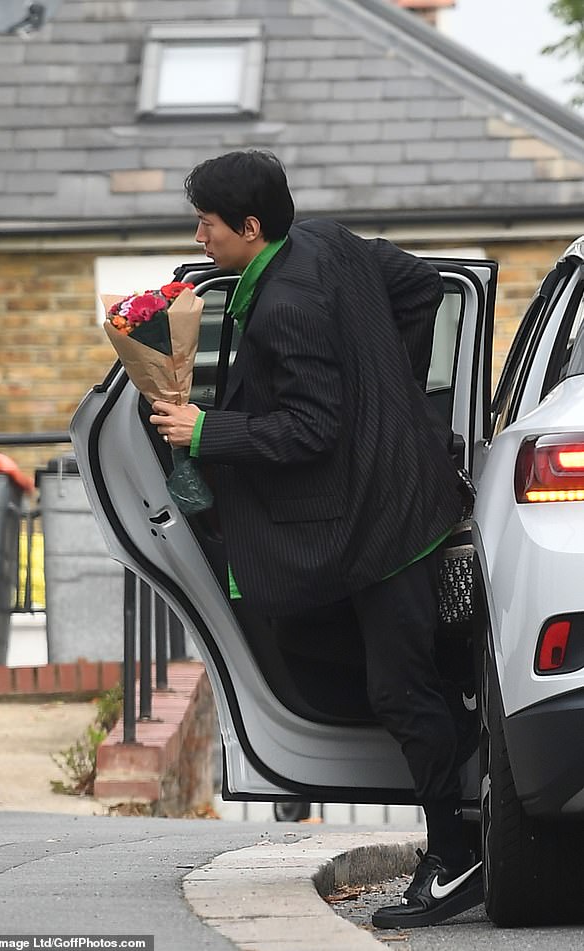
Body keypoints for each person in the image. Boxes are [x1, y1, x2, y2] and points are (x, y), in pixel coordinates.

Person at [149, 150, 482, 929]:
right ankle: (461, 732)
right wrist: (389, 387)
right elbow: (422, 286)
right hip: (397, 490)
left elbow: (310, 429)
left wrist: (205, 428)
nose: (198, 235)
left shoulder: (286, 304)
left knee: (398, 687)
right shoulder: (325, 240)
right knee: (313, 630)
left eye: (206, 223)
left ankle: (456, 855)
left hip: (383, 519)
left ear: (251, 226)